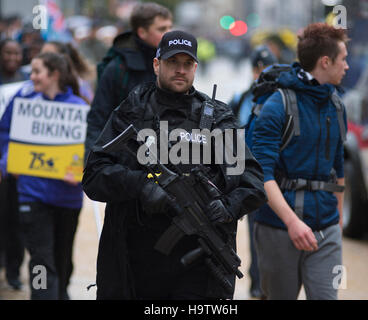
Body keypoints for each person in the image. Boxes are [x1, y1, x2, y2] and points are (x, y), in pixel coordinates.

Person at [82, 30, 267, 300]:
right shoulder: (134, 110)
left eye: (187, 64)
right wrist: (141, 186)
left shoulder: (215, 117)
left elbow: (252, 181)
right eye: (172, 62)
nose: (180, 70)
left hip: (198, 266)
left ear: (195, 67)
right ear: (157, 64)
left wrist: (229, 206)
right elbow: (95, 176)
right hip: (135, 263)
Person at [251, 22, 349, 300]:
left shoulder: (337, 103)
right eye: (343, 59)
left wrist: (337, 222)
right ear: (325, 61)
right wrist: (292, 222)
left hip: (326, 228)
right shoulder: (276, 106)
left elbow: (337, 165)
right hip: (279, 228)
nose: (347, 66)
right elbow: (262, 174)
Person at [0, 52, 88, 300]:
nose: (32, 77)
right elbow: (8, 136)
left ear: (54, 75)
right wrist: (7, 164)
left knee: (61, 259)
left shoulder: (79, 108)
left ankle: (61, 293)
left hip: (67, 198)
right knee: (40, 259)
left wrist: (82, 172)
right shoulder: (24, 101)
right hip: (31, 193)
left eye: (37, 71)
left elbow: (90, 151)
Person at [84, 2, 173, 159]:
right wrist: (92, 164)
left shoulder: (173, 65)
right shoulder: (117, 68)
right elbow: (98, 119)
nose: (168, 34)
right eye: (161, 29)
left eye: (169, 27)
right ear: (142, 32)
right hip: (122, 162)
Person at [229, 44, 276, 299]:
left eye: (266, 68)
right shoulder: (242, 98)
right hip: (248, 179)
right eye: (259, 68)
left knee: (272, 236)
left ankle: (268, 283)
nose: (262, 73)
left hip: (275, 180)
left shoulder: (282, 101)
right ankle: (258, 283)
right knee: (254, 234)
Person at [0, 38, 29, 291]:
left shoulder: (28, 83)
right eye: (7, 53)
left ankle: (13, 270)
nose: (12, 58)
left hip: (18, 163)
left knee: (16, 220)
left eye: (16, 53)